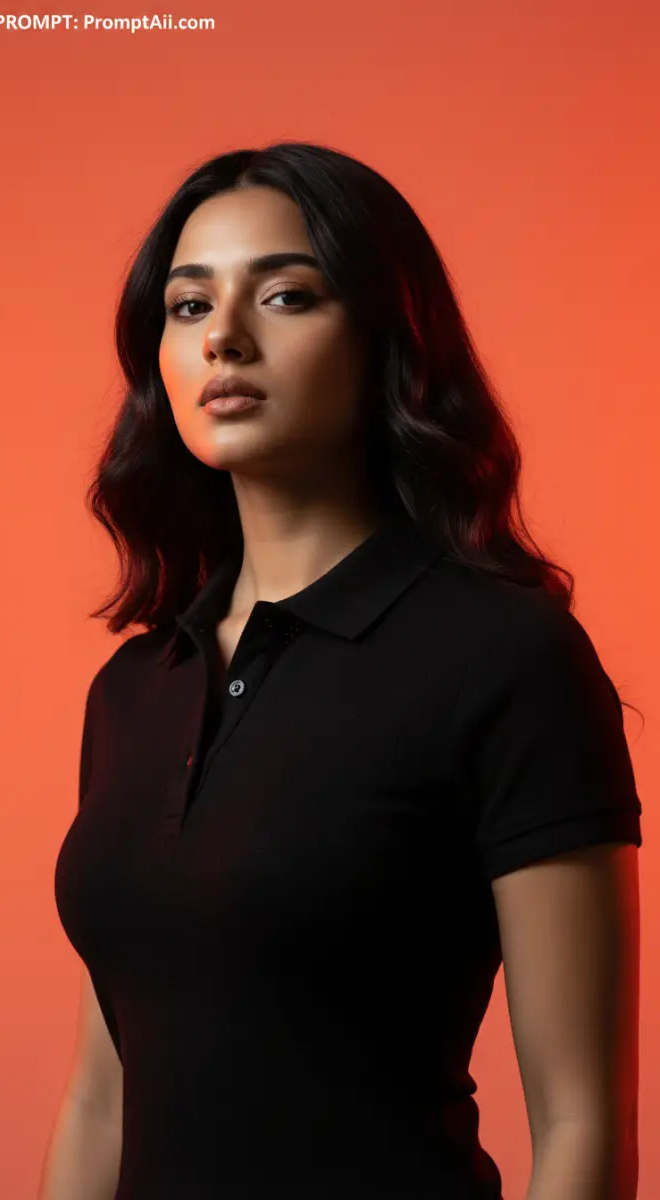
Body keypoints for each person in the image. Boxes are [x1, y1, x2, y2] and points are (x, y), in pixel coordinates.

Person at [40, 142, 642, 1200]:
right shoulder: (136, 689)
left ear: (386, 339)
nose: (224, 336)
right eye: (189, 306)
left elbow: (581, 1122)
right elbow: (102, 1099)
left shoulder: (506, 657)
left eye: (285, 295)